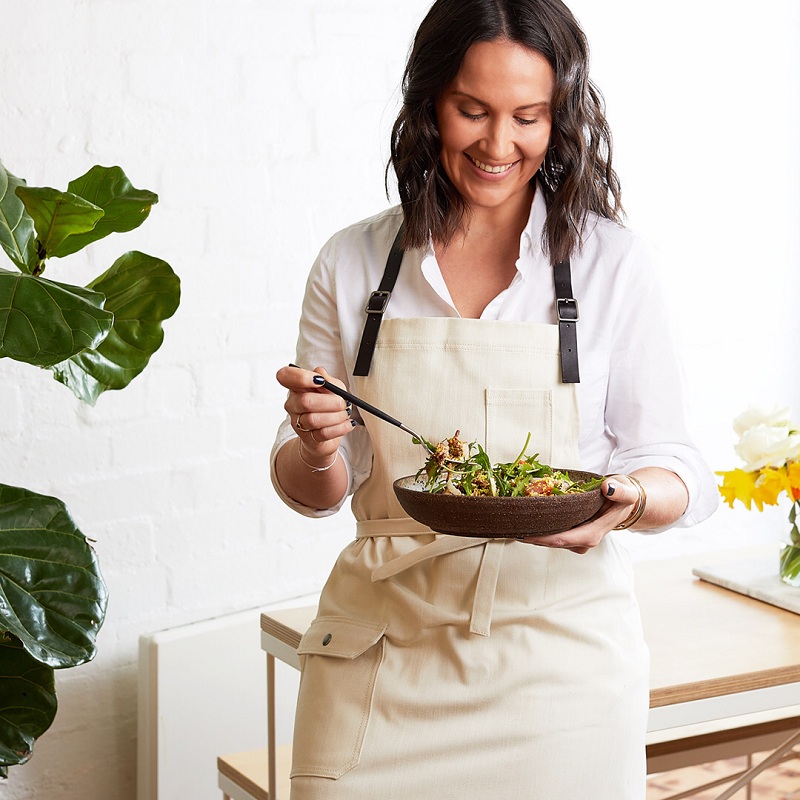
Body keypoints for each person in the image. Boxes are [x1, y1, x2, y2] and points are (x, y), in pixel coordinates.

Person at [271, 1, 718, 797]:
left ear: (562, 118)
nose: (498, 145)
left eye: (528, 117)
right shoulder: (351, 264)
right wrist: (314, 447)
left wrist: (626, 498)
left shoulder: (611, 264)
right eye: (472, 110)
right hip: (380, 648)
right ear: (429, 102)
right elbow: (316, 493)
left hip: (558, 665)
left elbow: (678, 467)